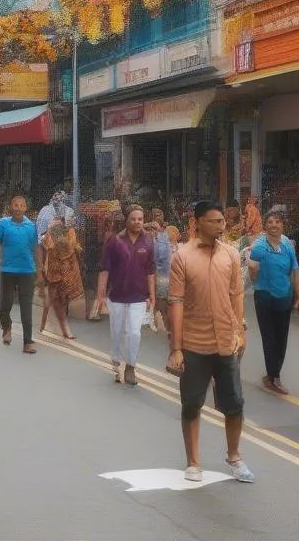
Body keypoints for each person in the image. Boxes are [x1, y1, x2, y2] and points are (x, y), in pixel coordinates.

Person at [167, 200, 254, 484]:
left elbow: (237, 294)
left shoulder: (230, 255)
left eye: (222, 221)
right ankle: (193, 462)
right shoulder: (182, 256)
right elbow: (176, 302)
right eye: (215, 221)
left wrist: (239, 329)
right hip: (194, 343)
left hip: (226, 343)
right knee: (191, 404)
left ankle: (235, 456)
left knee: (234, 404)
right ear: (198, 222)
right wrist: (176, 348)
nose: (222, 225)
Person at [247, 208, 299, 396]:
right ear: (265, 226)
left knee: (282, 339)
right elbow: (252, 267)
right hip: (264, 297)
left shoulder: (287, 245)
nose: (274, 225)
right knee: (270, 339)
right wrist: (253, 270)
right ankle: (274, 377)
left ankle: (272, 375)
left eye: (277, 222)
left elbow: (295, 272)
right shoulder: (260, 246)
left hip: (284, 298)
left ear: (282, 225)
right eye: (270, 222)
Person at [98, 205, 155, 386]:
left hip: (138, 296)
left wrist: (152, 294)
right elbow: (105, 269)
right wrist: (101, 295)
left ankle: (130, 366)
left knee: (134, 332)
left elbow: (151, 270)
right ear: (126, 220)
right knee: (117, 331)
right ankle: (116, 362)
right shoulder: (114, 241)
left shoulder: (148, 241)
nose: (137, 222)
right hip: (116, 295)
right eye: (134, 219)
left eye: (140, 219)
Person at [0, 195, 41, 353]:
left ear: (25, 208)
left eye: (21, 205)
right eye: (15, 205)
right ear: (10, 207)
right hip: (8, 270)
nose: (18, 208)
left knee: (26, 306)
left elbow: (37, 249)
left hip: (27, 271)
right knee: (5, 305)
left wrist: (41, 271)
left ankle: (28, 341)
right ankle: (6, 328)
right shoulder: (3, 224)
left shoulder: (31, 226)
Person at [41, 219, 83, 339]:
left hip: (67, 272)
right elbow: (48, 246)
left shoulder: (70, 232)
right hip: (54, 272)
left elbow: (72, 247)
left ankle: (49, 327)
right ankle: (53, 327)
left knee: (61, 300)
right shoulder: (51, 235)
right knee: (53, 299)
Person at [148, 208, 175, 336]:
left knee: (162, 301)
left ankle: (165, 325)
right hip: (156, 273)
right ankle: (158, 323)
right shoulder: (149, 233)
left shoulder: (165, 232)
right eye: (156, 215)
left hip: (164, 273)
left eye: (160, 214)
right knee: (159, 300)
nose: (158, 217)